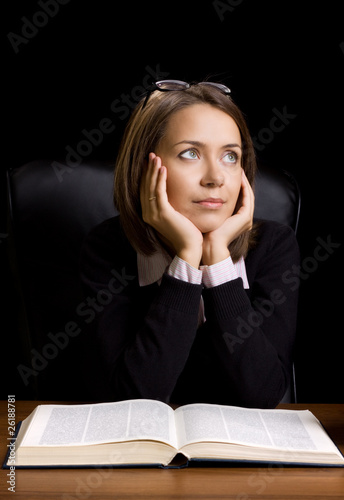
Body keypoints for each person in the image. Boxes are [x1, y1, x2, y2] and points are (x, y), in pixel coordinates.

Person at [79, 80, 300, 408]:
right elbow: (136, 396)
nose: (215, 177)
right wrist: (187, 257)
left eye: (230, 156)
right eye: (190, 153)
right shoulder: (106, 248)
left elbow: (262, 394)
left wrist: (218, 263)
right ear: (145, 168)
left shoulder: (274, 246)